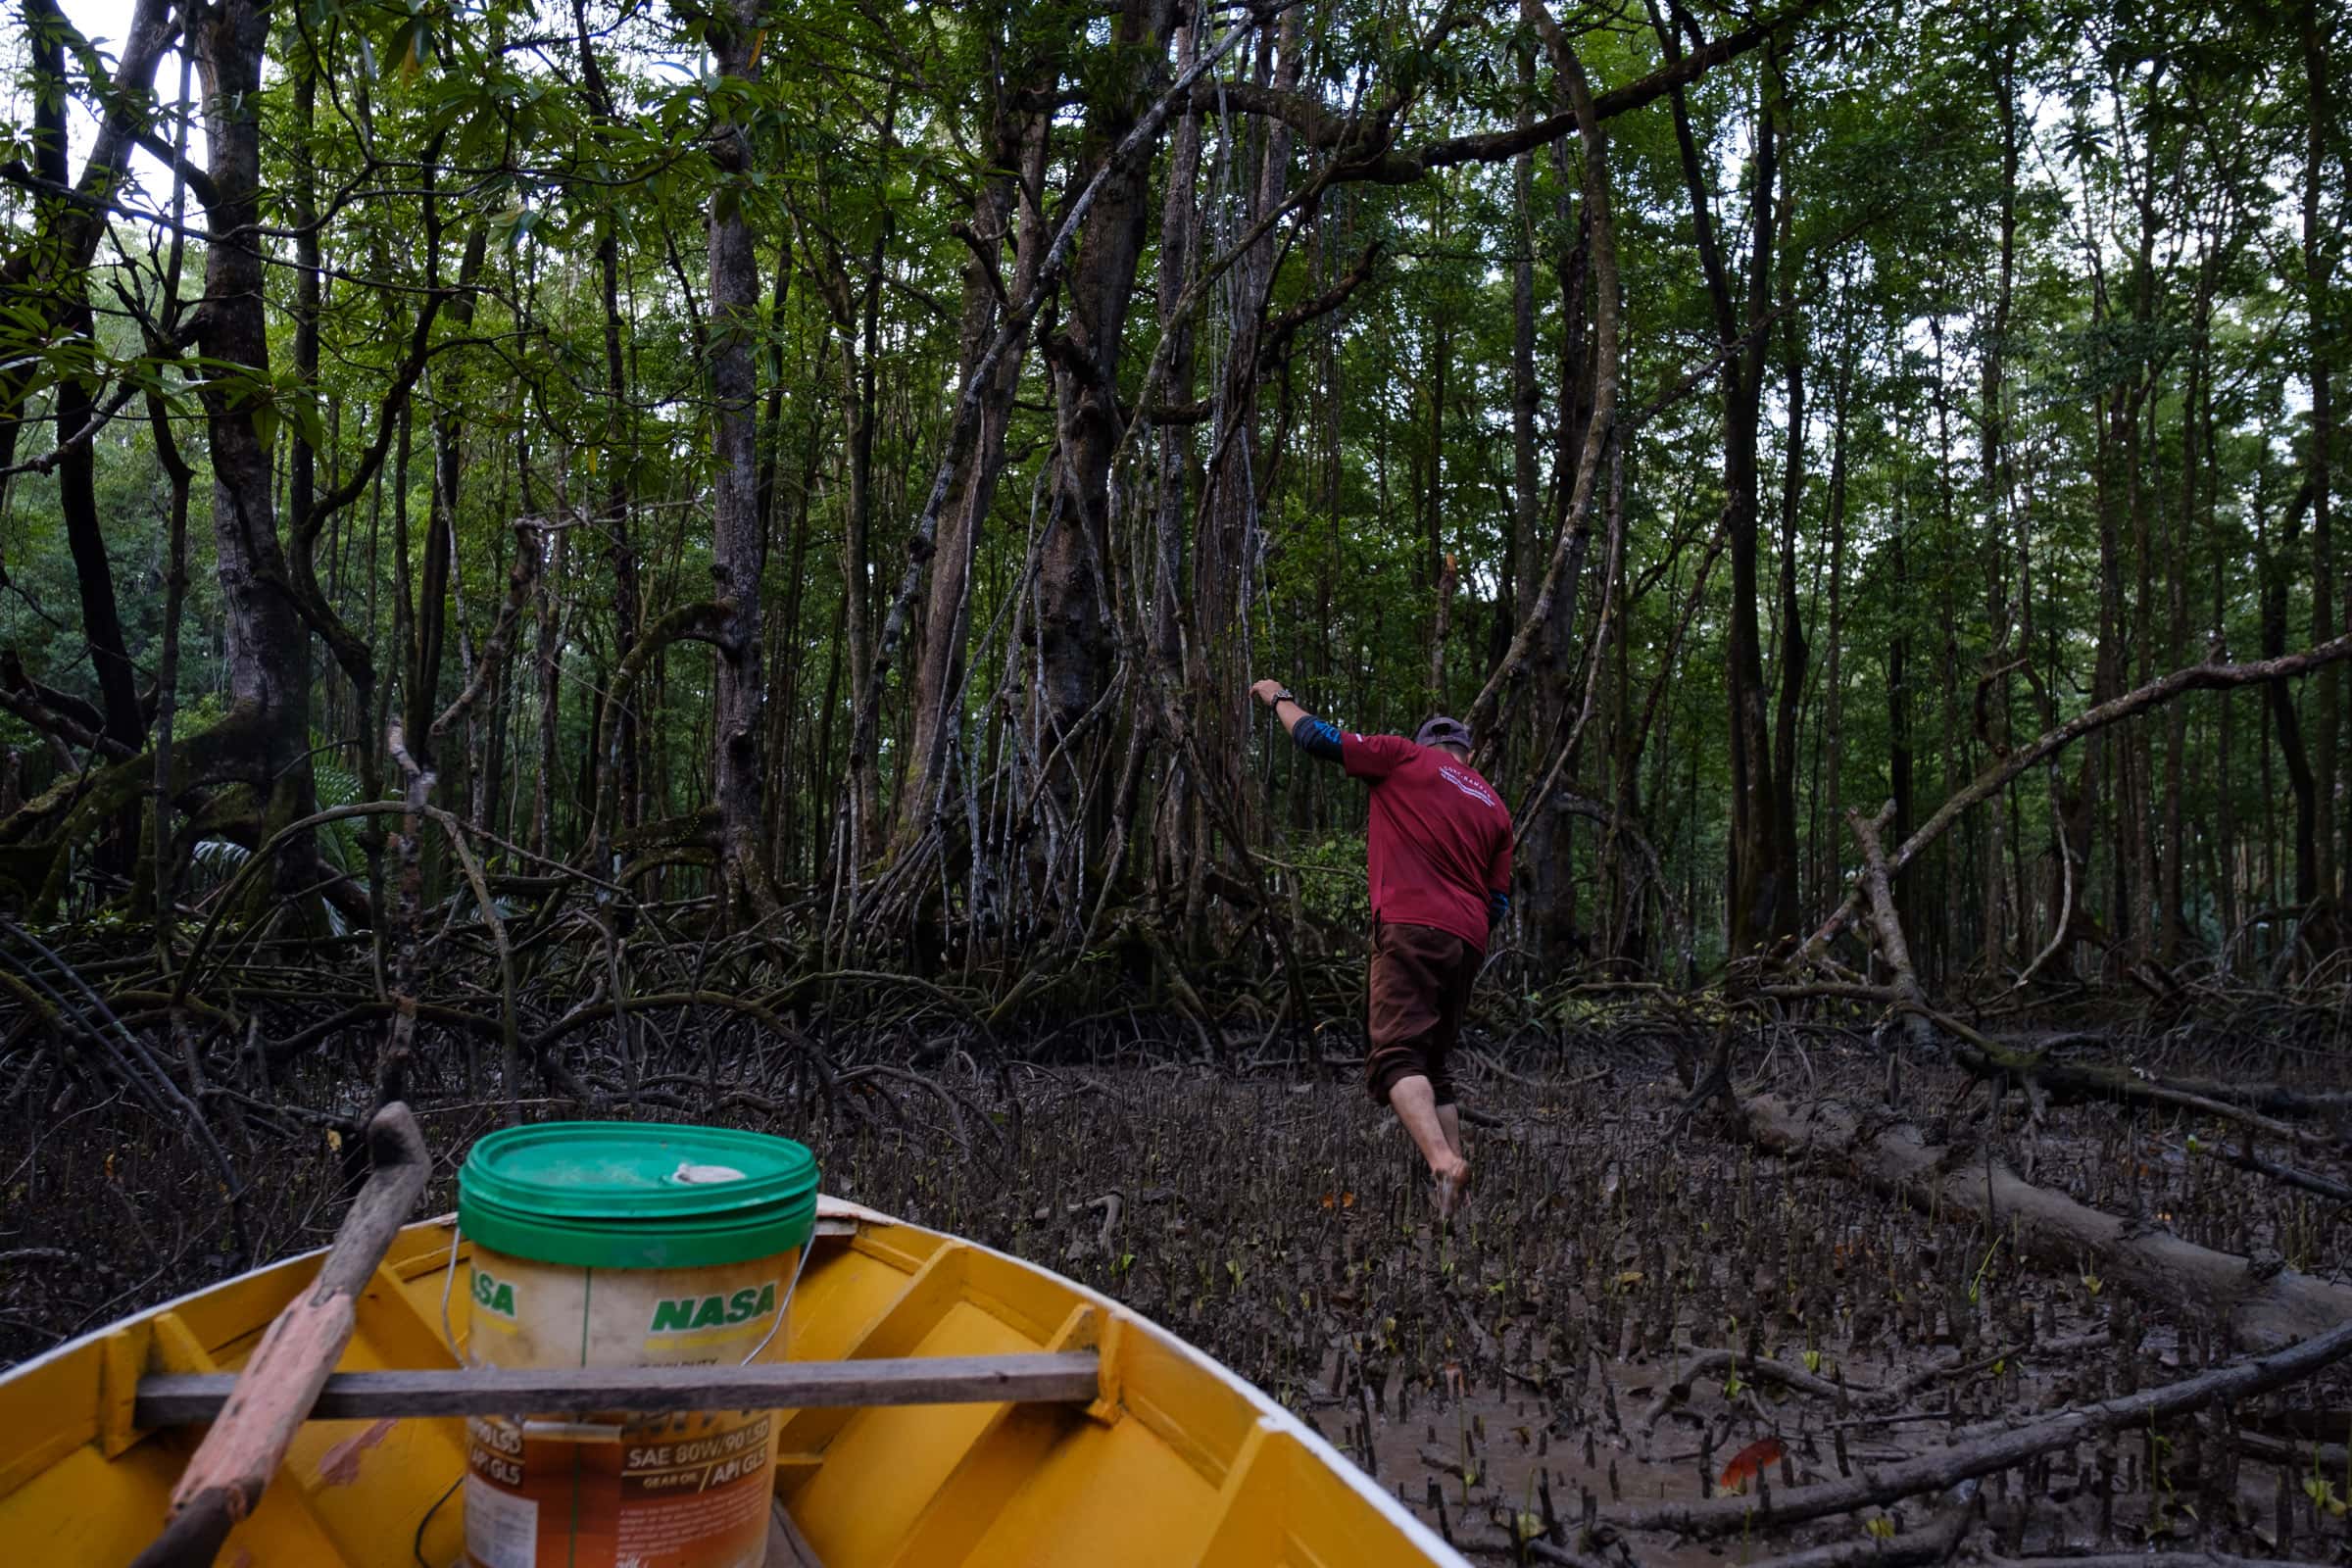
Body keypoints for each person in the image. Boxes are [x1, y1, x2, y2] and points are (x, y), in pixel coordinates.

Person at [1249, 678, 1512, 1217]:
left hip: (1411, 924)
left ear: (1426, 745)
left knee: (1394, 1057)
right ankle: (1452, 1200)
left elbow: (1316, 737)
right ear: (1469, 752)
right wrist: (1465, 929)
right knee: (1434, 1064)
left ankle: (1442, 1162)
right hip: (1467, 940)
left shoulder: (1402, 757)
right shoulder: (1494, 804)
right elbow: (1500, 900)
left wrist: (1276, 697)